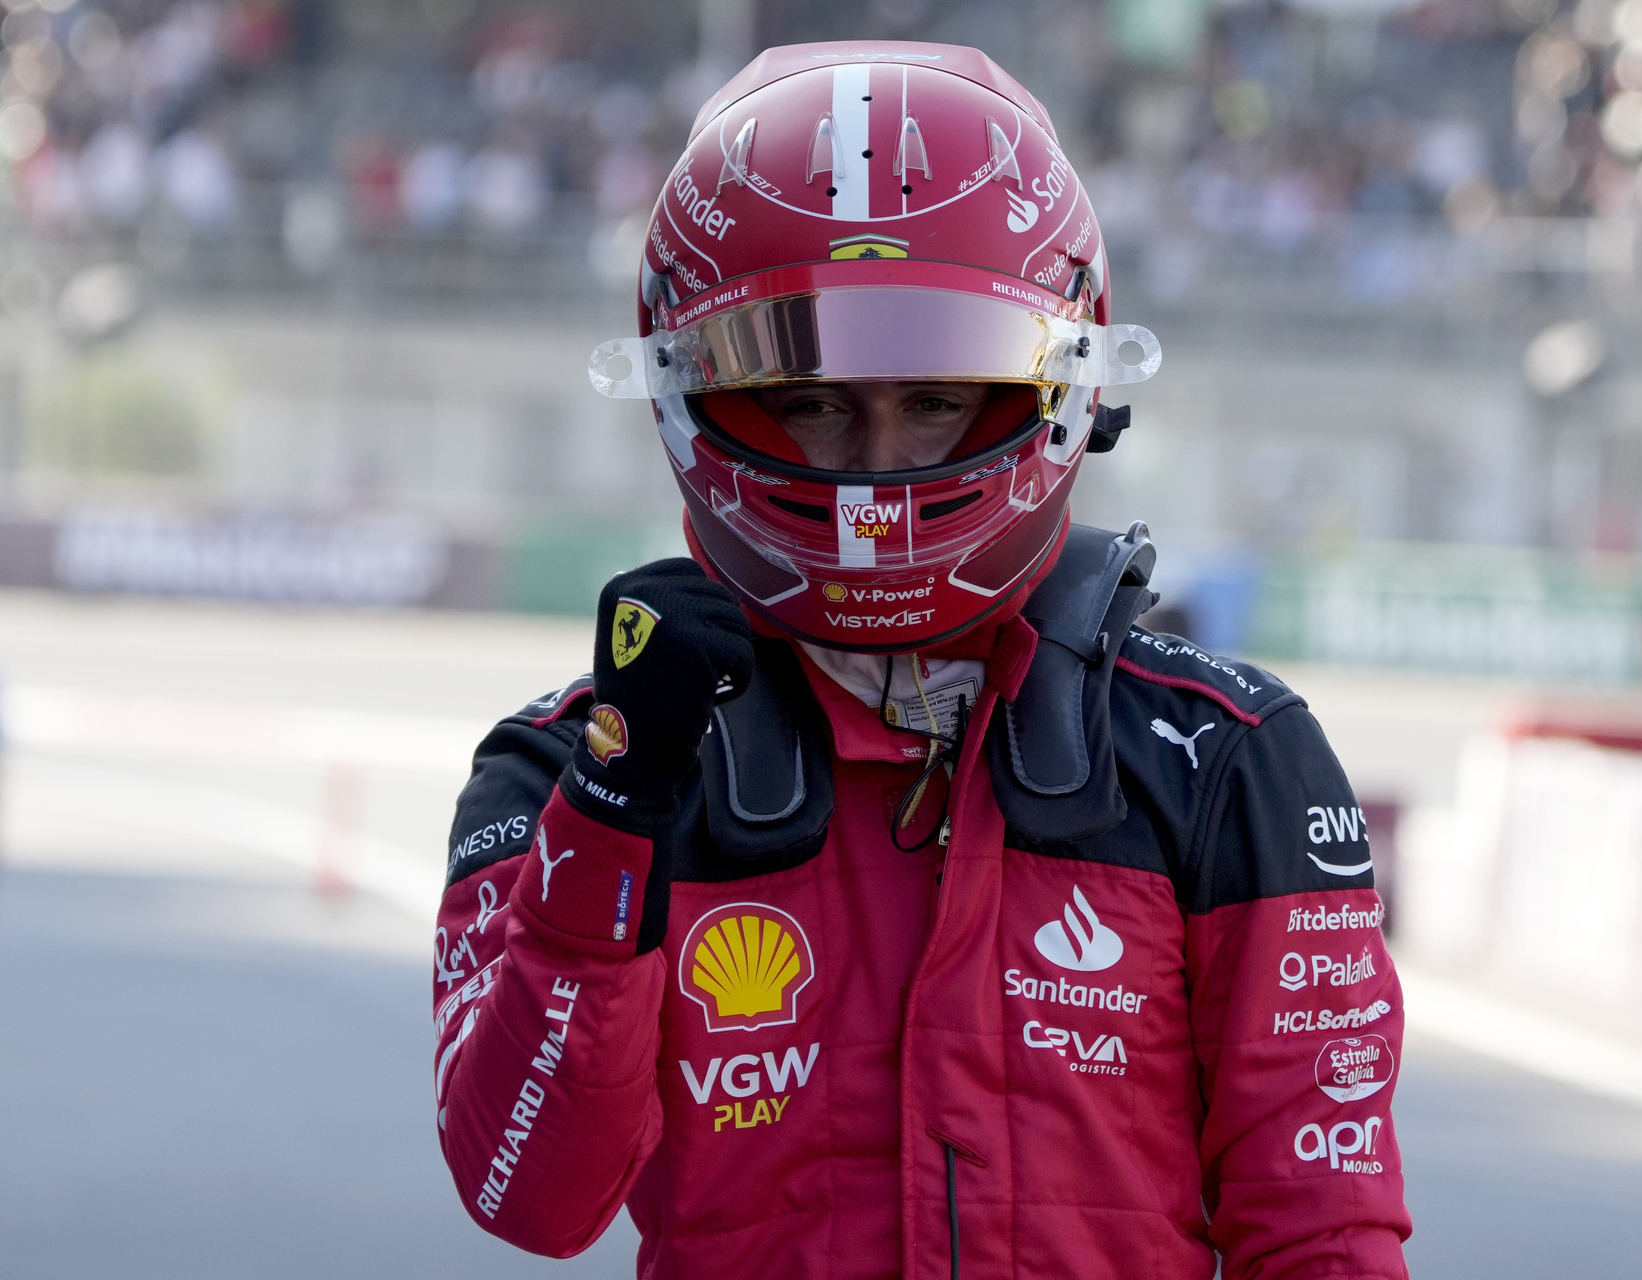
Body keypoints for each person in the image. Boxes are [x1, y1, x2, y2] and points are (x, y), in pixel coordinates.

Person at [432, 42, 1410, 1280]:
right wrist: (616, 806)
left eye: (938, 400)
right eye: (813, 401)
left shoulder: (1230, 759)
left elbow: (1323, 1238)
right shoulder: (571, 765)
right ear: (696, 393)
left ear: (1063, 385)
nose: (877, 466)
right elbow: (529, 1194)